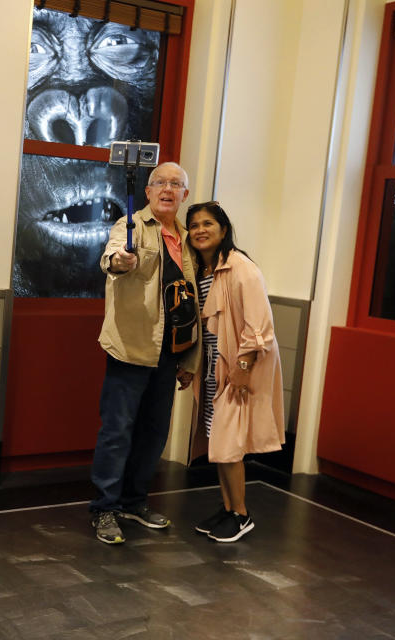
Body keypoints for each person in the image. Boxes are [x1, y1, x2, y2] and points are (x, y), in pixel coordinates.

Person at [89, 162, 201, 544]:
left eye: (177, 184)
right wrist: (121, 261)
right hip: (132, 347)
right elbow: (113, 257)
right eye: (161, 183)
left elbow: (193, 304)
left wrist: (189, 360)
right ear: (149, 191)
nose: (168, 189)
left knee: (154, 433)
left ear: (185, 195)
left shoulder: (188, 240)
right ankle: (105, 508)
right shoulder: (130, 225)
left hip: (171, 352)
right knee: (117, 431)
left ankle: (134, 503)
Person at [185, 201, 285, 543]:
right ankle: (228, 508)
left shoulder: (241, 268)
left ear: (223, 230)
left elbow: (260, 326)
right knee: (217, 437)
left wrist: (243, 368)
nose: (200, 229)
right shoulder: (202, 270)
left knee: (229, 443)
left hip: (240, 365)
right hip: (214, 365)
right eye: (194, 224)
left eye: (208, 223)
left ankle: (241, 515)